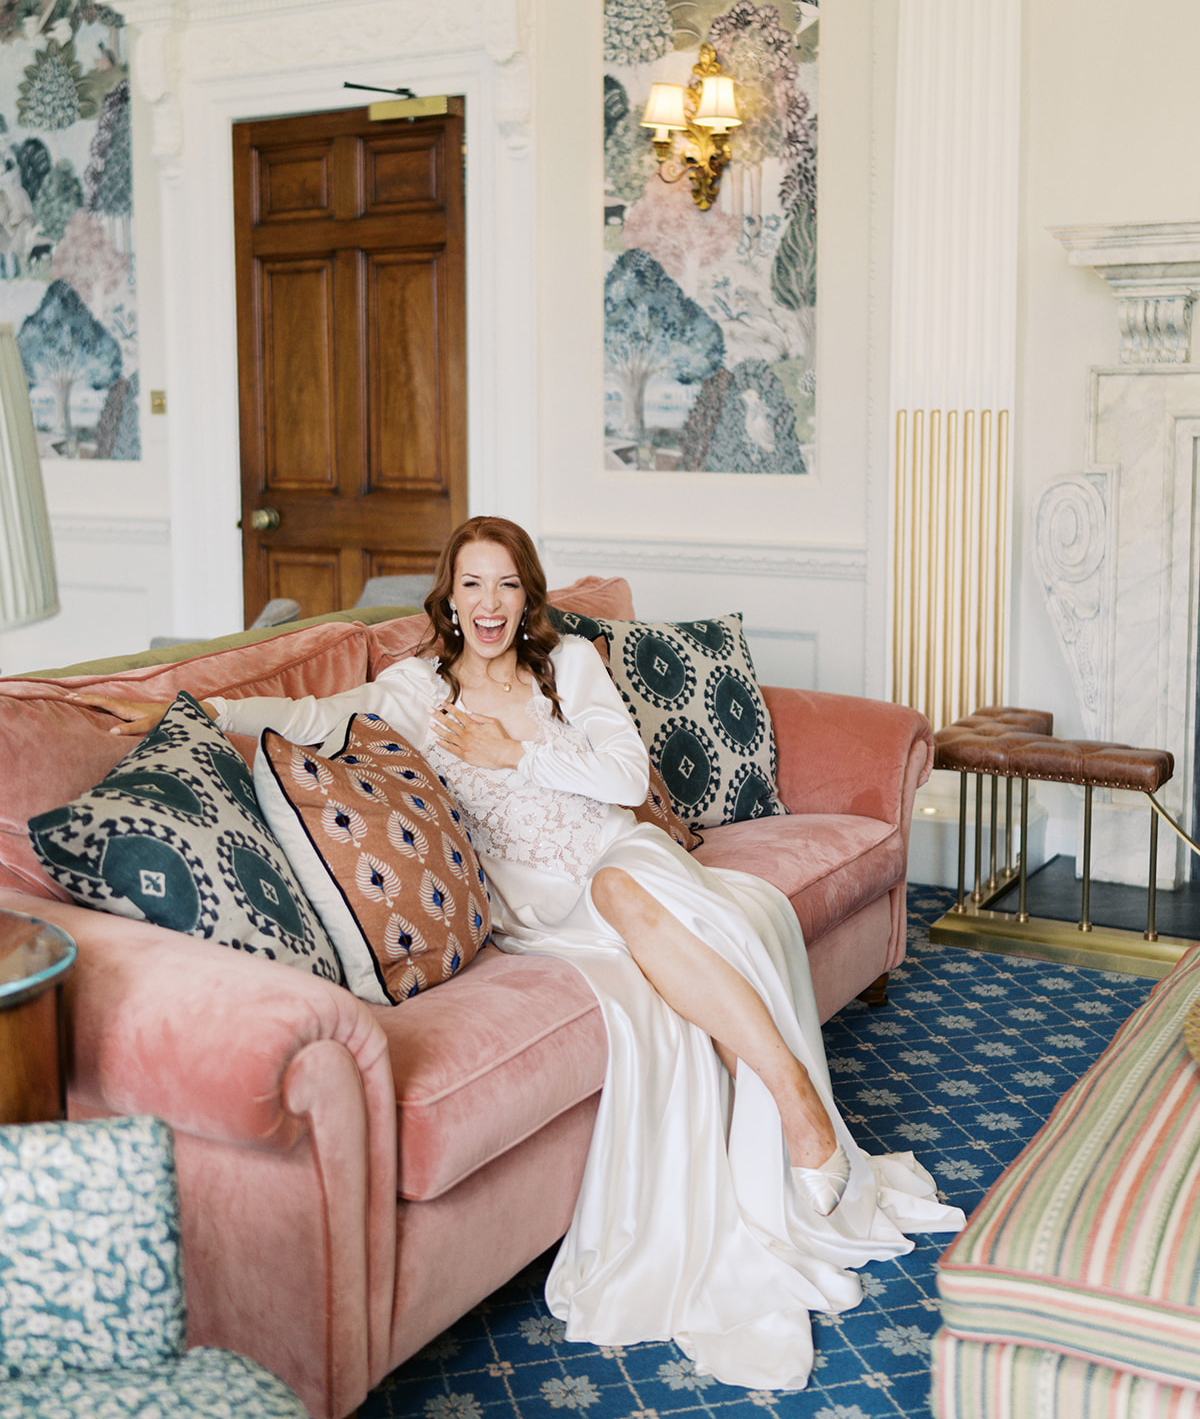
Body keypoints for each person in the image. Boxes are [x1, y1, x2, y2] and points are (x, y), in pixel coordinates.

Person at [79, 515, 963, 1389]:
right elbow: (311, 714)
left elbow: (621, 779)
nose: (490, 602)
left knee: (627, 890)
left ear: (526, 595)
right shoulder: (416, 690)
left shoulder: (568, 666)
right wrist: (186, 706)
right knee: (645, 941)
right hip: (537, 905)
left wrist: (521, 745)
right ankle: (793, 1101)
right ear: (450, 599)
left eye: (506, 583)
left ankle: (798, 1104)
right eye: (472, 584)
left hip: (617, 853)